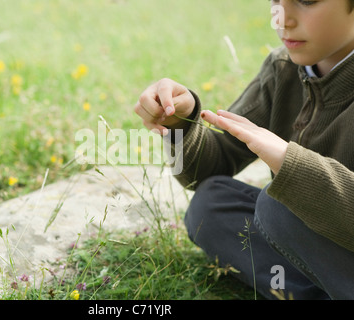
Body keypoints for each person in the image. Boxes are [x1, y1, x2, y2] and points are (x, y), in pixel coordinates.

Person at [134, 0, 354, 300]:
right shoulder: (283, 69)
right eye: (275, 1)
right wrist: (181, 122)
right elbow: (208, 171)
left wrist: (292, 165)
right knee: (210, 204)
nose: (283, 19)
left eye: (306, 0)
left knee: (274, 207)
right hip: (316, 249)